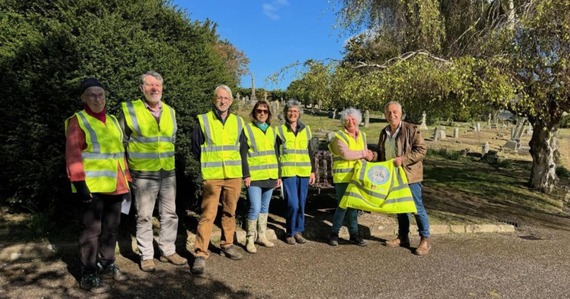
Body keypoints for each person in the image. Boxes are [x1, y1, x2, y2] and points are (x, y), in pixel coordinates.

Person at [65, 78, 130, 293]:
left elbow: (119, 153)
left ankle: (108, 263)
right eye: (91, 95)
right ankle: (89, 274)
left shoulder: (112, 120)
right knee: (91, 231)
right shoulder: (79, 120)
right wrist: (79, 183)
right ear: (83, 98)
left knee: (111, 228)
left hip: (116, 184)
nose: (97, 99)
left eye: (100, 95)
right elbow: (73, 154)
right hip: (91, 187)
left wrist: (127, 178)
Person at [120, 71, 186, 272]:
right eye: (149, 85)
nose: (154, 89)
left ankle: (168, 250)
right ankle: (146, 255)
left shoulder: (171, 111)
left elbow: (171, 140)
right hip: (143, 173)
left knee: (169, 214)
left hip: (167, 171)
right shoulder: (130, 110)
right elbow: (121, 142)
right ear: (142, 88)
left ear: (162, 88)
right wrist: (126, 170)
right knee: (145, 216)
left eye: (157, 85)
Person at [191, 84, 248, 275]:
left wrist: (244, 173)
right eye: (219, 98)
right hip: (213, 175)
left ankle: (227, 244)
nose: (223, 101)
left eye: (226, 98)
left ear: (231, 101)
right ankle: (200, 253)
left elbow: (242, 149)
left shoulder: (239, 122)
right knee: (208, 214)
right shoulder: (203, 120)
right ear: (214, 100)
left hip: (233, 174)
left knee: (230, 212)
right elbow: (196, 147)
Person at [375, 101, 431, 256]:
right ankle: (403, 236)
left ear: (400, 113)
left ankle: (425, 239)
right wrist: (370, 156)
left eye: (395, 112)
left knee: (416, 208)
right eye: (388, 113)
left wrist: (404, 159)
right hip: (393, 176)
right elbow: (381, 154)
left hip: (410, 176)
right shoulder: (384, 132)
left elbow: (422, 150)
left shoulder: (411, 130)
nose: (391, 115)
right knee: (401, 207)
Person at [327, 108, 374, 247]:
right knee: (342, 206)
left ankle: (354, 234)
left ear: (358, 120)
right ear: (343, 122)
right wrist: (364, 153)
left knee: (354, 206)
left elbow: (366, 156)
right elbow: (346, 154)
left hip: (357, 177)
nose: (350, 121)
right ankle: (334, 234)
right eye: (347, 119)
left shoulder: (363, 136)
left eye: (353, 119)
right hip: (343, 177)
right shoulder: (339, 136)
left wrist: (368, 156)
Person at [276, 99, 316, 245]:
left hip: (304, 171)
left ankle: (298, 231)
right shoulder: (279, 130)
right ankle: (289, 232)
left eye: (295, 111)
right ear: (286, 113)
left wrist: (312, 171)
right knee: (292, 203)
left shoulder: (307, 129)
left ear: (299, 113)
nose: (292, 113)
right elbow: (276, 153)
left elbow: (311, 151)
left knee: (301, 203)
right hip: (288, 172)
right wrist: (278, 174)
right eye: (290, 111)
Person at [243, 100, 281, 253]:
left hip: (270, 175)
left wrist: (278, 175)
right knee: (255, 207)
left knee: (265, 208)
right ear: (254, 113)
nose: (262, 114)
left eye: (265, 111)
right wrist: (246, 174)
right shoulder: (248, 129)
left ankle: (262, 235)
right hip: (254, 177)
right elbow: (243, 153)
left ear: (269, 114)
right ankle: (250, 238)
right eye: (259, 111)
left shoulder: (273, 131)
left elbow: (276, 154)